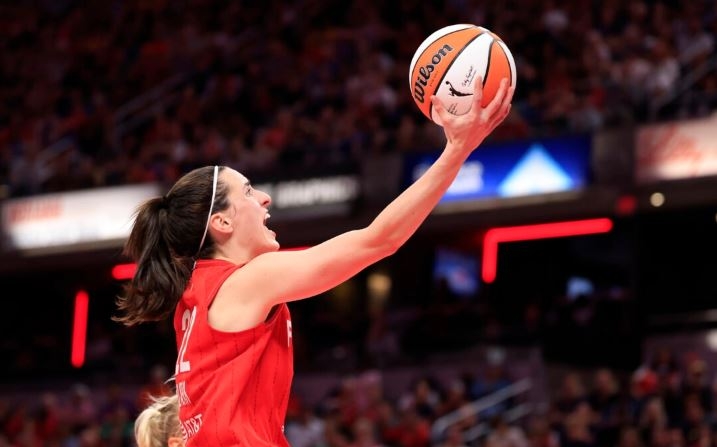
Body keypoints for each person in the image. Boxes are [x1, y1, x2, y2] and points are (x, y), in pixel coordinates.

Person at [115, 77, 514, 446]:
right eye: (250, 192)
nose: (265, 199)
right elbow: (378, 241)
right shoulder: (246, 281)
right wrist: (457, 151)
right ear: (221, 222)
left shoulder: (196, 294)